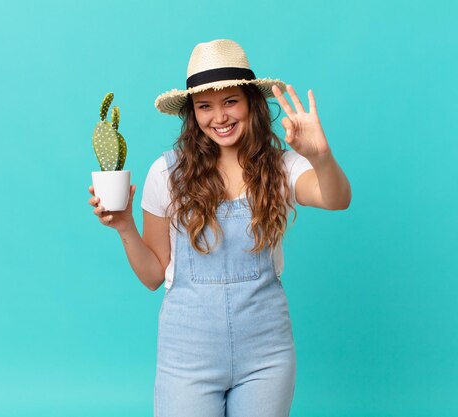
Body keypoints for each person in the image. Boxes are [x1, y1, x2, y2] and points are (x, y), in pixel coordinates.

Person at [88, 39, 351, 417]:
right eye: (204, 106)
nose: (219, 117)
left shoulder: (279, 167)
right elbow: (151, 276)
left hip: (266, 355)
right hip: (187, 356)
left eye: (230, 102)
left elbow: (336, 198)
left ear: (251, 103)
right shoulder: (166, 174)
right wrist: (125, 226)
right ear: (192, 113)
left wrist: (321, 158)